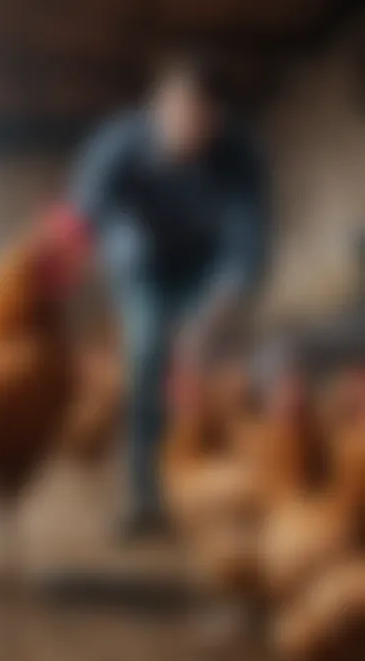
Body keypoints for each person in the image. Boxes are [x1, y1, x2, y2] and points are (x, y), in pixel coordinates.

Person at [59, 53, 269, 539]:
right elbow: (84, 211)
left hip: (207, 265)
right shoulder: (118, 143)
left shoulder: (241, 153)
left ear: (217, 119)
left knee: (207, 367)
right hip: (140, 261)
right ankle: (143, 495)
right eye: (175, 113)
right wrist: (73, 259)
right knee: (148, 351)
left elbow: (246, 248)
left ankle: (207, 488)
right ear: (156, 108)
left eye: (199, 118)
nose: (185, 128)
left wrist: (206, 326)